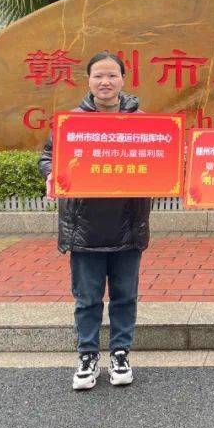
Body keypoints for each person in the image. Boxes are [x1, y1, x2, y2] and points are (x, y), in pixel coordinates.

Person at [39, 51, 151, 391]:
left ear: (123, 80)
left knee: (124, 296)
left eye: (112, 75)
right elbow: (48, 157)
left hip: (128, 223)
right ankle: (87, 356)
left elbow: (160, 155)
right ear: (88, 81)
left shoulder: (141, 120)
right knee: (86, 298)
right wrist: (50, 174)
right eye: (99, 76)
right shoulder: (71, 122)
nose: (105, 82)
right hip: (84, 226)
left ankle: (120, 353)